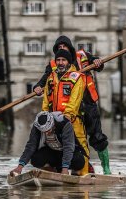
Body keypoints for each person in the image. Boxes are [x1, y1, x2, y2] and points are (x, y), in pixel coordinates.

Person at [33, 35, 112, 175]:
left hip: (87, 104)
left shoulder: (83, 56)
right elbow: (44, 80)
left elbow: (98, 65)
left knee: (97, 136)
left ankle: (106, 168)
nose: (62, 51)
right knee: (68, 139)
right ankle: (73, 167)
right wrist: (37, 87)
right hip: (68, 109)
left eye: (64, 47)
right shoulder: (54, 65)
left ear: (70, 48)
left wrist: (98, 62)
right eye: (59, 49)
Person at [10, 111, 85, 176]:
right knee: (36, 160)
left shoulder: (64, 123)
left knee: (79, 161)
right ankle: (51, 171)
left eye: (48, 130)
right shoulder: (37, 126)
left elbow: (68, 147)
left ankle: (73, 172)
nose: (47, 133)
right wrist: (20, 167)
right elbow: (31, 145)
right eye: (44, 131)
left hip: (68, 153)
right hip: (52, 152)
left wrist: (65, 169)